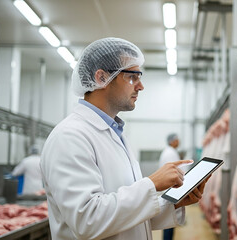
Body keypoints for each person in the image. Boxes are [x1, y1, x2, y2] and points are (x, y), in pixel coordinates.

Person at [40, 37, 207, 240]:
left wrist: (172, 203)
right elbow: (87, 220)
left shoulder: (117, 135)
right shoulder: (69, 137)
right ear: (101, 78)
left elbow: (127, 215)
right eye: (132, 77)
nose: (140, 86)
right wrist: (151, 184)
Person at [158, 133, 181, 240]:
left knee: (170, 220)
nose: (178, 141)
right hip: (171, 189)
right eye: (176, 139)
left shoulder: (169, 152)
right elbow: (174, 172)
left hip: (169, 188)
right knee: (169, 221)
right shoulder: (170, 153)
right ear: (171, 141)